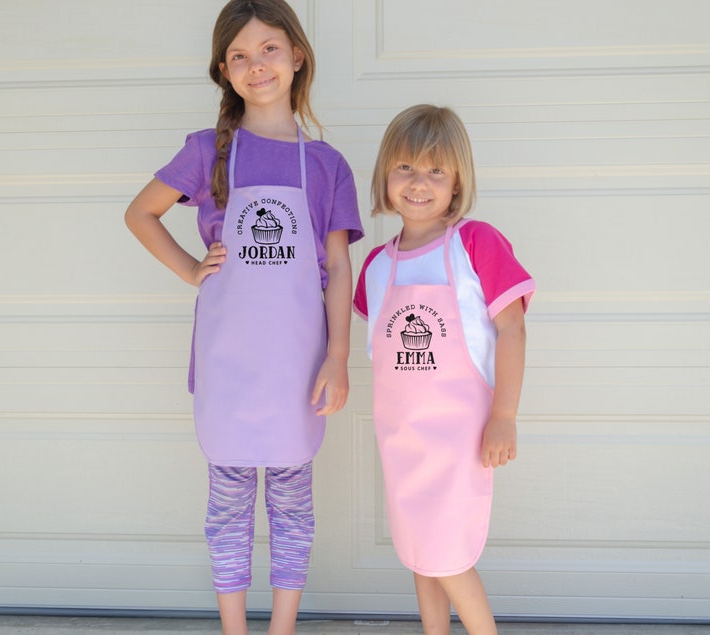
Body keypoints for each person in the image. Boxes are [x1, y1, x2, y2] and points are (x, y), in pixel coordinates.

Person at [125, 1, 363, 633]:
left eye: (269, 49)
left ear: (298, 56)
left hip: (297, 369)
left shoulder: (326, 165)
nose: (256, 65)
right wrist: (188, 268)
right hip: (229, 368)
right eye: (240, 55)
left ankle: (280, 628)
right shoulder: (208, 152)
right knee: (227, 510)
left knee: (292, 510)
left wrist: (338, 357)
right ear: (224, 71)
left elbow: (338, 270)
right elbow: (140, 213)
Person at [353, 104, 535, 635]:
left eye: (436, 170)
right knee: (419, 551)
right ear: (386, 175)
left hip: (459, 439)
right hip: (402, 439)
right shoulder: (377, 265)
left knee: (450, 557)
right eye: (405, 167)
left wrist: (504, 415)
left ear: (457, 183)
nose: (418, 182)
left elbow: (513, 330)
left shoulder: (475, 244)